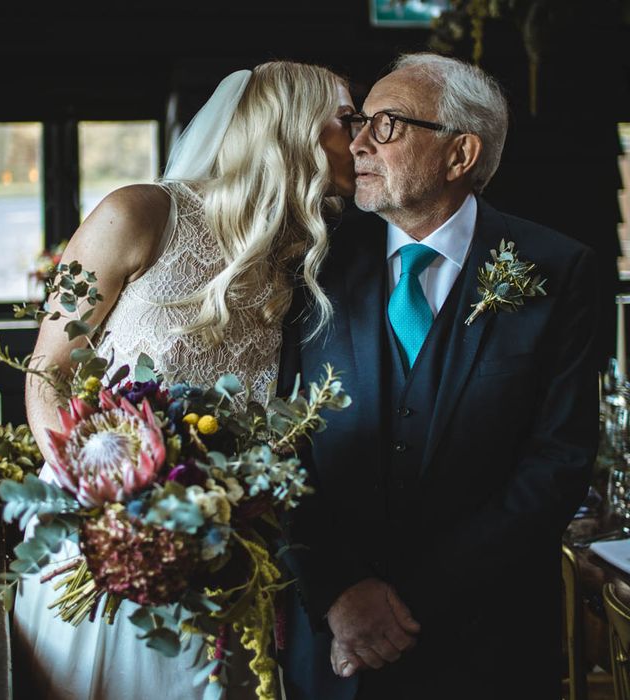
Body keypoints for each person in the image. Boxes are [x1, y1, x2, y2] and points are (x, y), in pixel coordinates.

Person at [12, 61, 356, 700]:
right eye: (347, 119)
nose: (361, 137)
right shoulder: (137, 214)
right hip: (112, 537)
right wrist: (118, 505)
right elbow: (48, 371)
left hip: (229, 554)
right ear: (294, 128)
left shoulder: (304, 251)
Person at [279, 52, 599, 700]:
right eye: (359, 122)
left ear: (460, 155)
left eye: (387, 125)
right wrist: (338, 591)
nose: (358, 142)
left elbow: (558, 461)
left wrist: (405, 601)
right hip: (336, 648)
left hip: (489, 646)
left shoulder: (558, 270)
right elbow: (279, 443)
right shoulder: (311, 263)